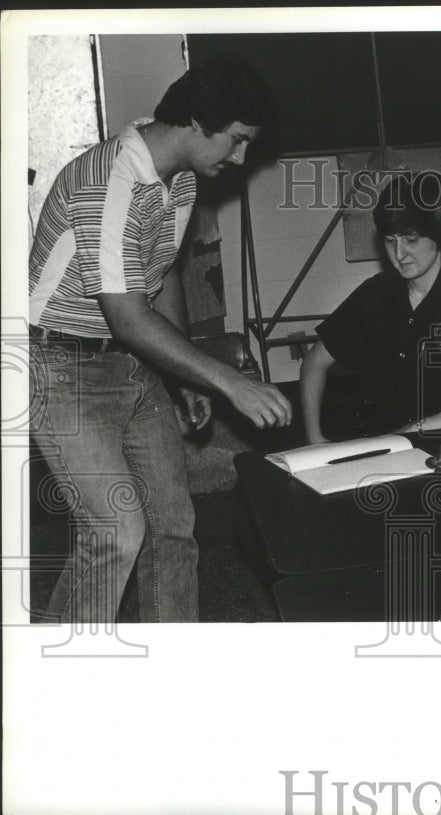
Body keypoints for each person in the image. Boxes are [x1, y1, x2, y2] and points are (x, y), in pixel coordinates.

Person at [29, 55, 293, 624]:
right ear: (198, 122)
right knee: (115, 532)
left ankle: (173, 669)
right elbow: (126, 313)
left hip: (130, 360)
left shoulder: (180, 179)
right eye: (237, 140)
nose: (242, 157)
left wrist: (180, 374)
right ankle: (51, 673)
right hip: (58, 361)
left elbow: (161, 270)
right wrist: (227, 382)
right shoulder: (109, 178)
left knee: (174, 527)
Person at [300, 174, 441, 443]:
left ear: (438, 236)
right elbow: (314, 363)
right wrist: (315, 439)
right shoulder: (374, 293)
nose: (399, 254)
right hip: (380, 444)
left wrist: (412, 432)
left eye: (410, 240)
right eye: (390, 241)